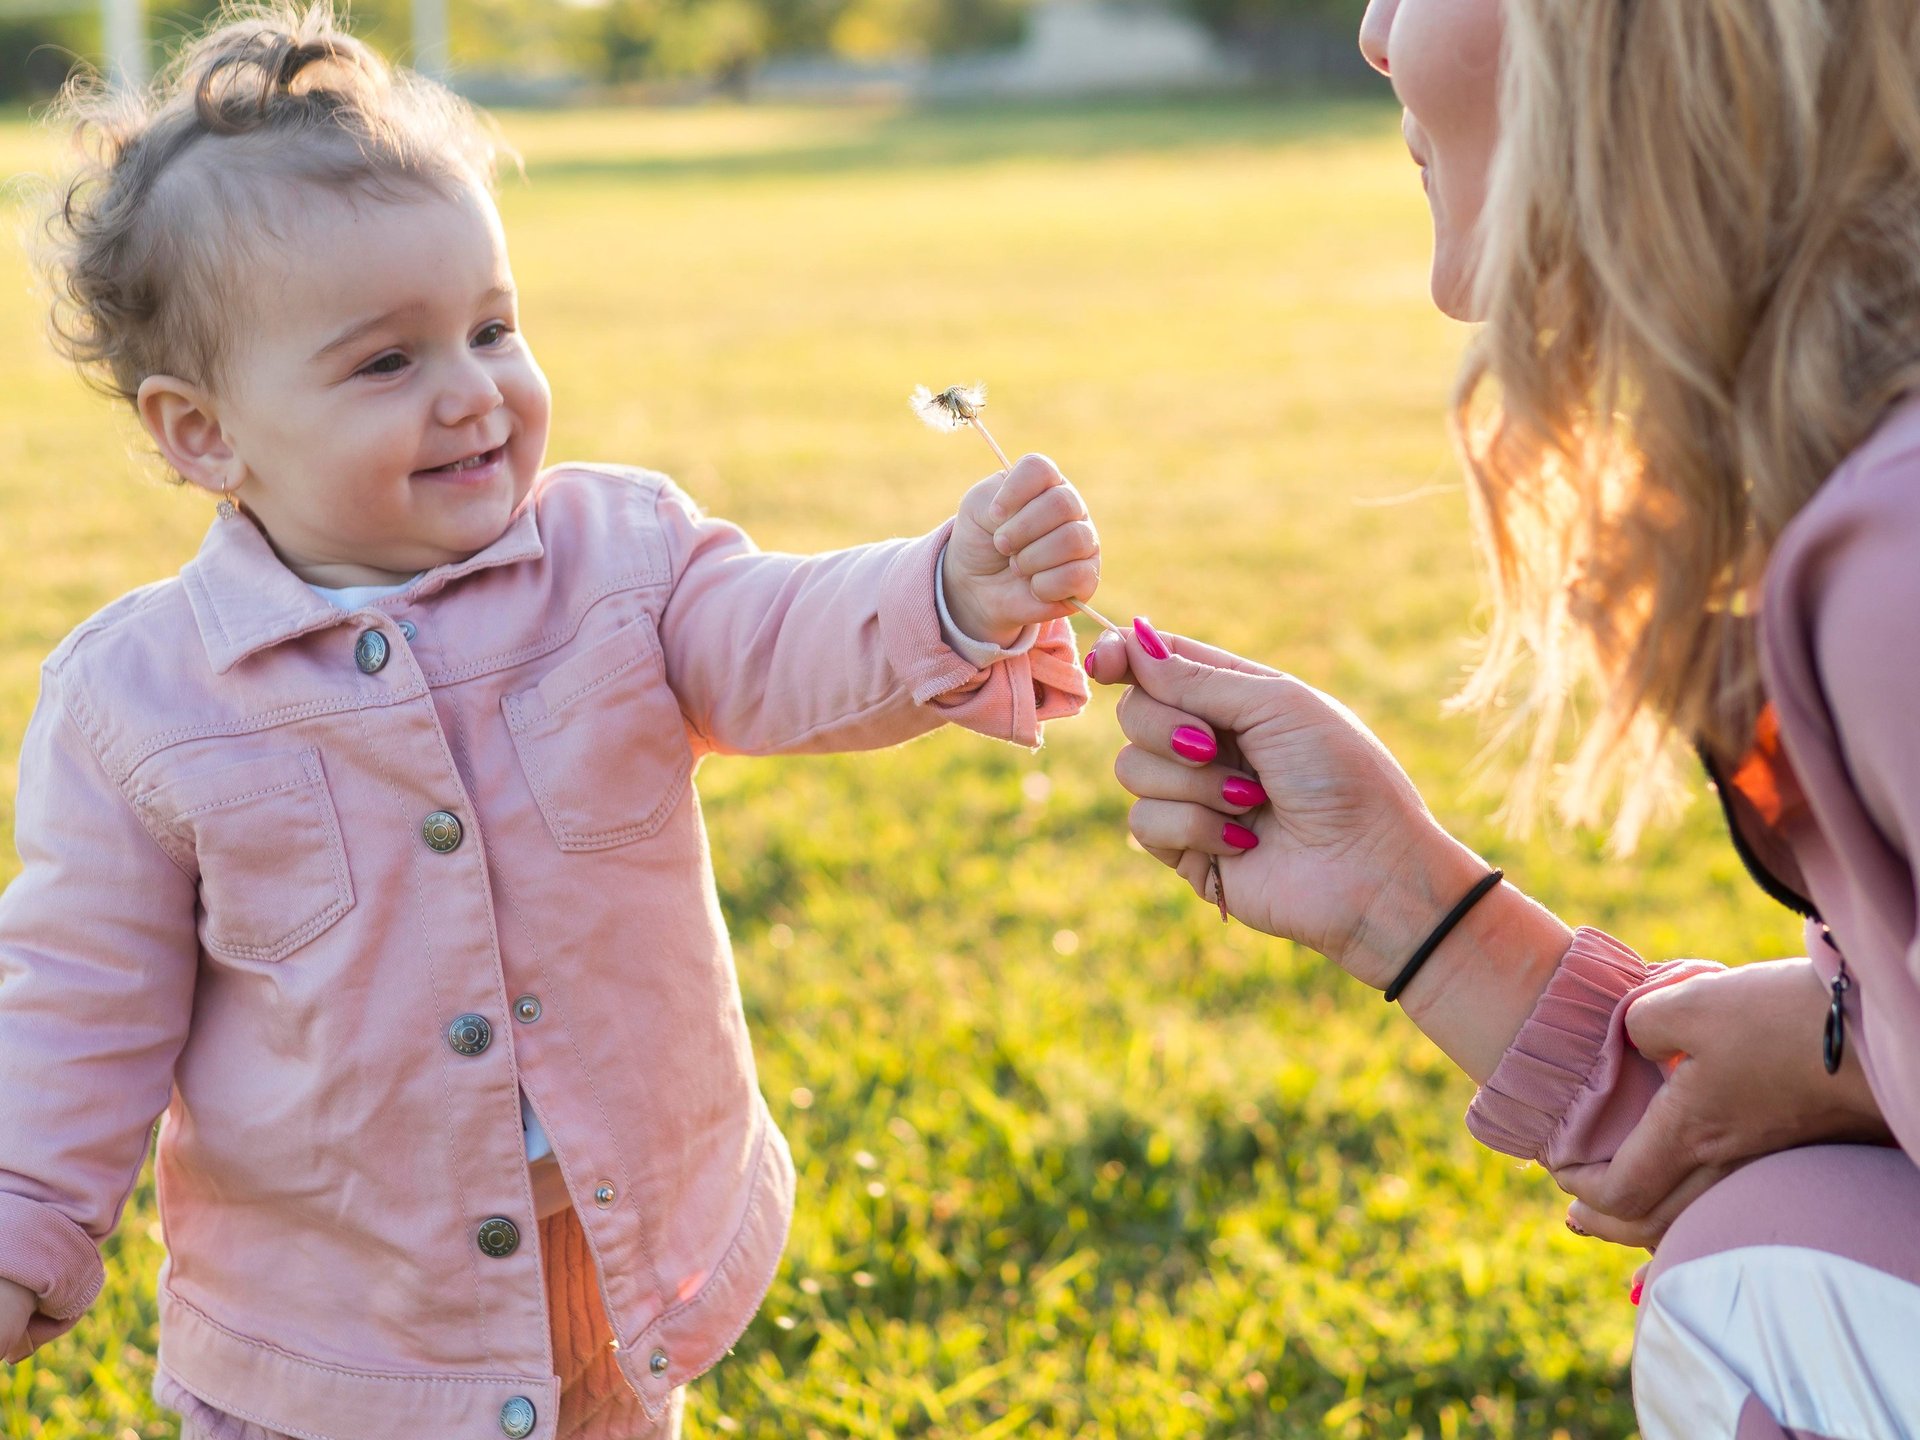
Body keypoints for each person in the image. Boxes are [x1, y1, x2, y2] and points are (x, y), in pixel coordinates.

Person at [0, 7, 1102, 1437]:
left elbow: (778, 638)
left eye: (492, 328)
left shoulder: (620, 561)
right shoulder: (135, 705)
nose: (472, 393)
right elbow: (78, 1003)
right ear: (202, 431)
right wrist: (24, 1219)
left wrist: (949, 589)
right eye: (386, 364)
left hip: (602, 1261)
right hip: (329, 1325)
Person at [1085, 0, 1920, 1436]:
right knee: (1783, 1232)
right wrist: (1396, 901)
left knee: (1763, 1300)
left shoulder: (1895, 556)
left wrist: (1847, 1045)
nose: (1372, 30)